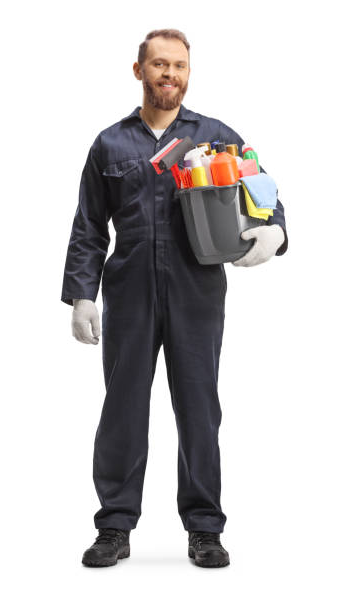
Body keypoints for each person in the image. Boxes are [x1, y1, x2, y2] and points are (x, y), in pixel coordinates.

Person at [61, 29, 288, 569]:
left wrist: (273, 230)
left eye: (180, 66)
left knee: (198, 408)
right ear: (138, 71)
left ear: (189, 72)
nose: (170, 74)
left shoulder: (215, 137)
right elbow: (89, 225)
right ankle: (114, 526)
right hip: (130, 291)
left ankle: (205, 529)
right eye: (159, 65)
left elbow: (264, 192)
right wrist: (81, 296)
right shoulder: (110, 143)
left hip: (197, 290)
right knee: (122, 409)